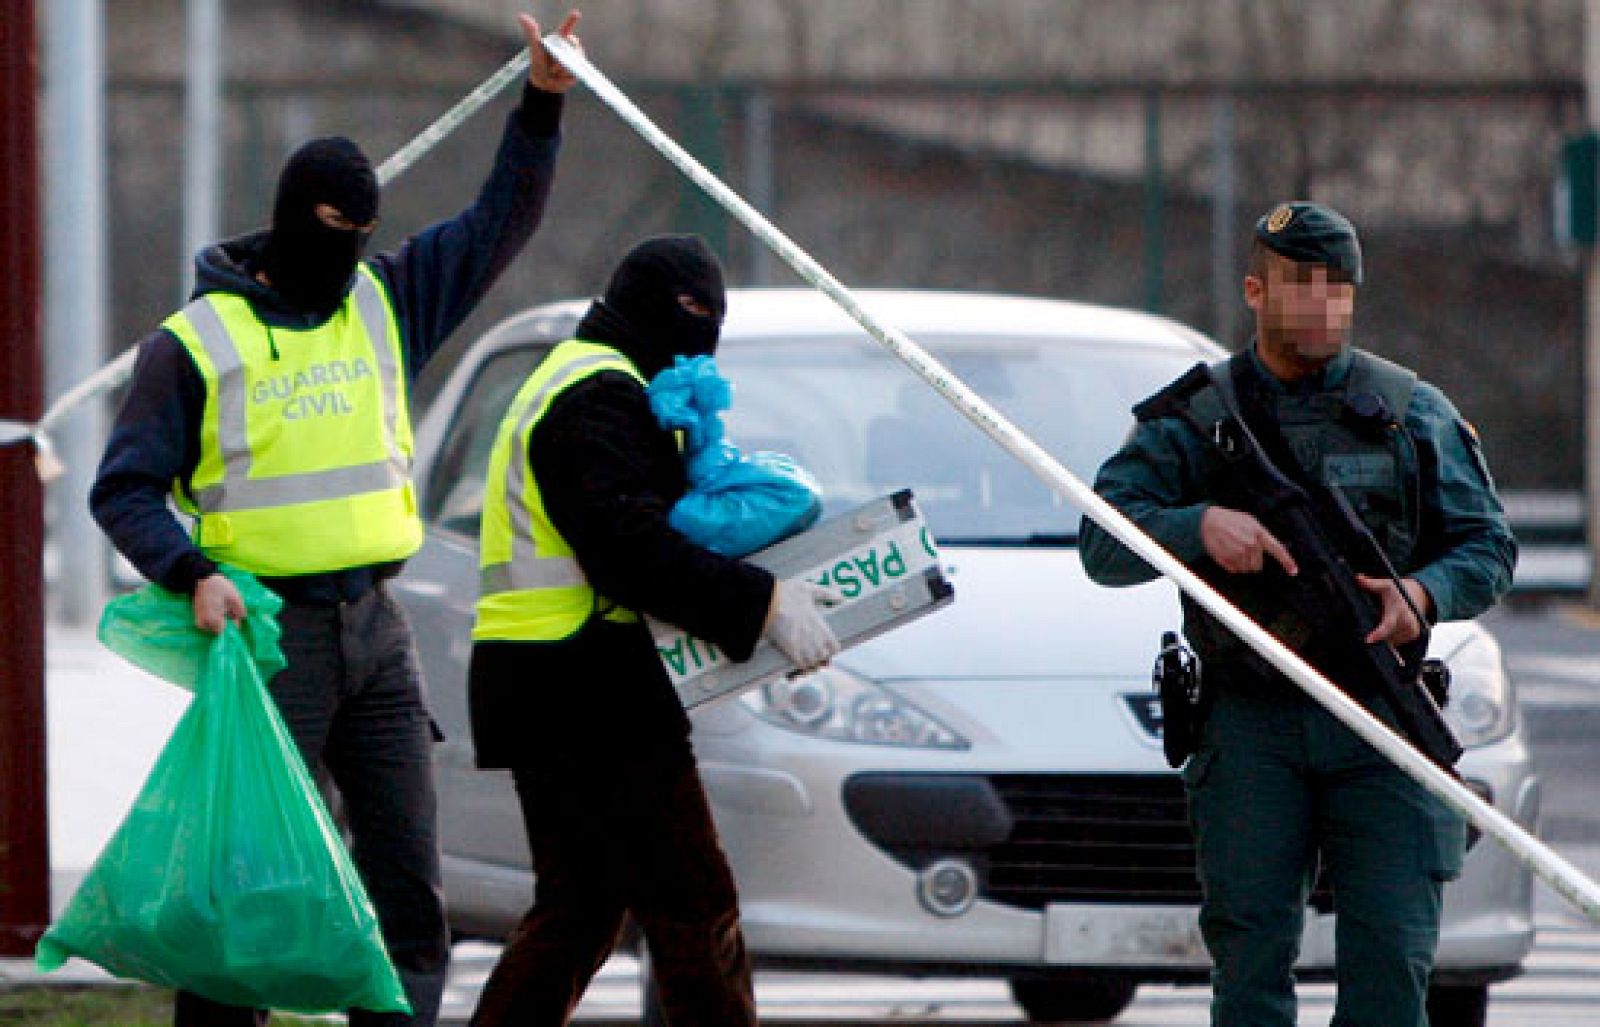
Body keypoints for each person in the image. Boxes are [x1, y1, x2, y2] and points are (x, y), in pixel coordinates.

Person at [87, 11, 584, 1025]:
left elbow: (497, 226)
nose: (347, 255)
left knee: (406, 884)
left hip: (378, 633)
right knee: (250, 894)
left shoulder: (381, 299)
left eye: (362, 236)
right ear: (287, 221)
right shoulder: (194, 344)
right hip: (267, 636)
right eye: (331, 235)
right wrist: (192, 573)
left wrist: (541, 103)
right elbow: (122, 489)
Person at [1079, 201, 1516, 1026]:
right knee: (1249, 963)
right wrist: (1196, 528)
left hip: (1380, 716)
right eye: (1300, 284)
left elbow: (1488, 548)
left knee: (1391, 962)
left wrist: (1420, 594)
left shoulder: (1407, 411)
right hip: (1251, 722)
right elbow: (1101, 543)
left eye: (1338, 287)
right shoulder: (1197, 420)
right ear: (1254, 290)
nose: (1322, 304)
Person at [465, 234, 841, 1027]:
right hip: (585, 688)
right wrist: (761, 604)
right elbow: (628, 551)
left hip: (546, 681)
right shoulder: (598, 396)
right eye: (695, 314)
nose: (703, 336)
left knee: (579, 910)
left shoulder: (588, 379)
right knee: (692, 901)